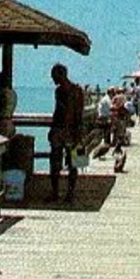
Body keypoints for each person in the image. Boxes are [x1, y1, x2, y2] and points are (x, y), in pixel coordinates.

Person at [48, 62, 84, 203]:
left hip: (63, 130)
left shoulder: (63, 91)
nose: (53, 80)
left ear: (61, 75)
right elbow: (79, 113)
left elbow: (59, 113)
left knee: (57, 162)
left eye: (54, 76)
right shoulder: (77, 90)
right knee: (73, 164)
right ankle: (69, 194)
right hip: (71, 131)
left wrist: (53, 129)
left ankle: (58, 193)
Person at [0, 70, 18, 141]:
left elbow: (0, 108)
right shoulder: (13, 93)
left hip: (2, 123)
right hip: (10, 122)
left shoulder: (3, 93)